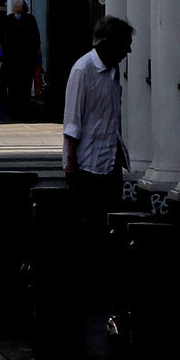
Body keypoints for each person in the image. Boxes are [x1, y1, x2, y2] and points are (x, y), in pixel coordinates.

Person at [62, 17, 134, 217]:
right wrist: (70, 161)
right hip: (87, 162)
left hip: (110, 159)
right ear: (109, 44)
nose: (128, 51)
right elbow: (72, 121)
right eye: (125, 45)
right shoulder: (82, 70)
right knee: (90, 217)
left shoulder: (113, 70)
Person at [0, 0, 42, 105]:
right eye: (17, 12)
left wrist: (39, 55)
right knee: (13, 84)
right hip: (11, 57)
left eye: (20, 12)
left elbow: (36, 40)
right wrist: (0, 50)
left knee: (26, 84)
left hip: (27, 58)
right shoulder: (9, 19)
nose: (18, 14)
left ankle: (24, 107)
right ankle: (14, 107)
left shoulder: (30, 20)